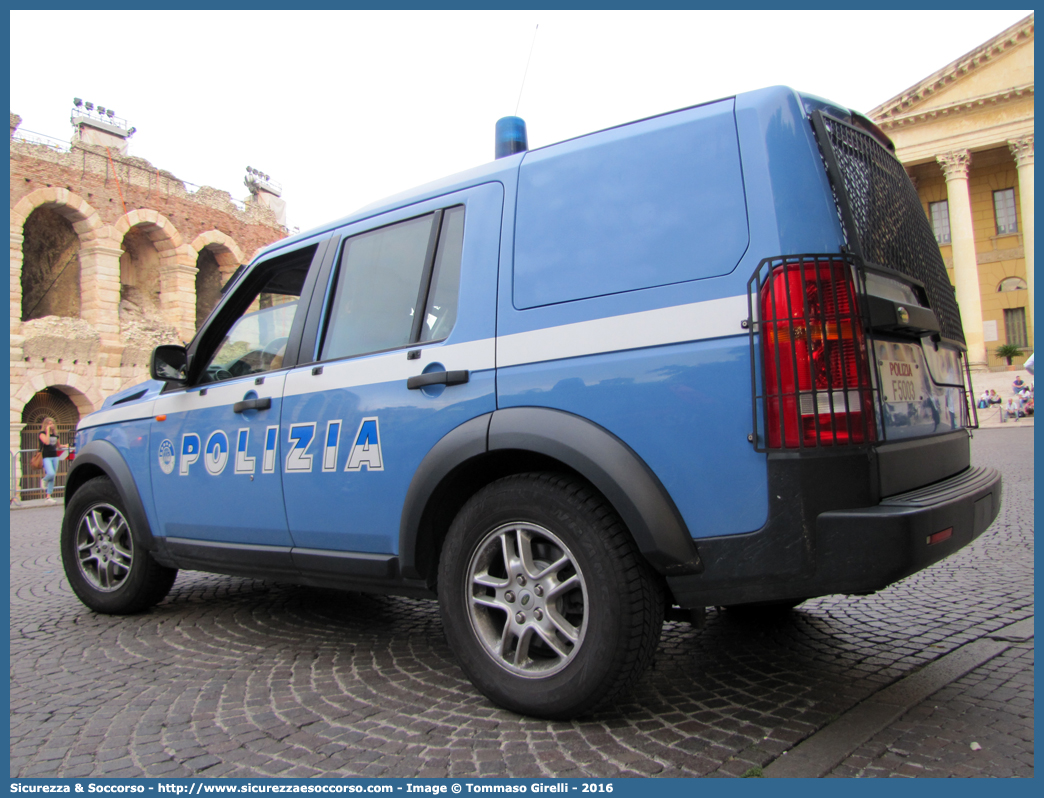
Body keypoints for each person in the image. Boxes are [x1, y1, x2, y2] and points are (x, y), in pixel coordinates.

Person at [38, 417, 60, 504]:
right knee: (51, 473)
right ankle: (44, 480)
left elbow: (58, 445)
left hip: (55, 456)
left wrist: (65, 445)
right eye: (49, 424)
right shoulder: (42, 433)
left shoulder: (55, 434)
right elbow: (46, 442)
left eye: (52, 423)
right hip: (46, 456)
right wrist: (47, 431)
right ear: (45, 425)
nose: (51, 425)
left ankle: (48, 496)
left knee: (53, 477)